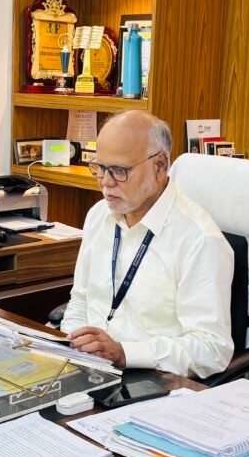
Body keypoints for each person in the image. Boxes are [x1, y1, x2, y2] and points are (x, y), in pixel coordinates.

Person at [60, 112, 234, 379]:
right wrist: (71, 345)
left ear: (159, 166)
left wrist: (124, 353)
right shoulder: (98, 215)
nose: (105, 182)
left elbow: (211, 349)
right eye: (100, 168)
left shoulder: (199, 239)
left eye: (119, 171)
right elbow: (81, 301)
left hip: (154, 380)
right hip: (88, 369)